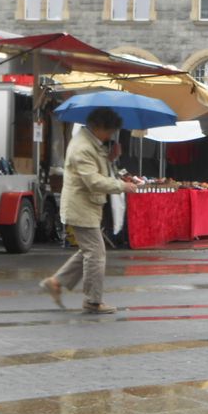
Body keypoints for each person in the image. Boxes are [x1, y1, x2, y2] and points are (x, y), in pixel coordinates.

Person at [39, 107, 138, 314]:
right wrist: (122, 186)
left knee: (89, 250)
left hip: (86, 206)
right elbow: (93, 180)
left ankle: (56, 282)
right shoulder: (82, 147)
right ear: (99, 127)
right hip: (80, 207)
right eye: (109, 131)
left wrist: (110, 158)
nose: (110, 135)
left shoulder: (90, 143)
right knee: (96, 253)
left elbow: (95, 168)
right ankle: (93, 300)